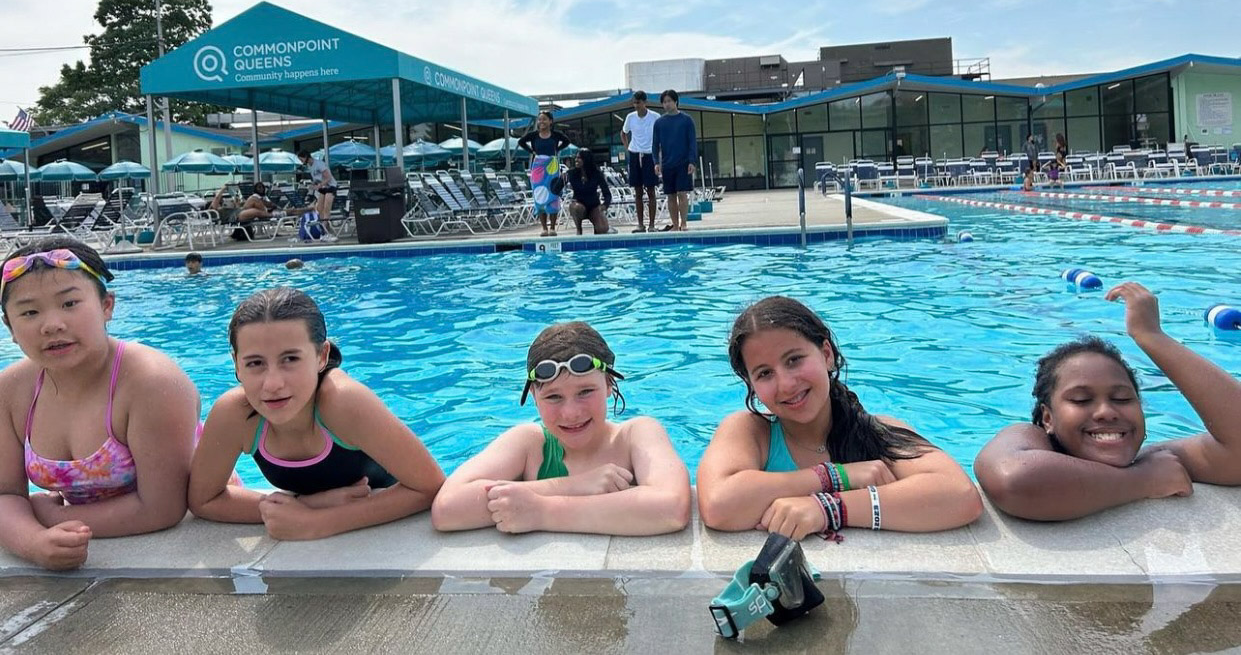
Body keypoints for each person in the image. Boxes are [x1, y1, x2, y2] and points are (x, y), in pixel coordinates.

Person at [696, 297, 982, 539]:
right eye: (764, 373)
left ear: (826, 354)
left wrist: (828, 509)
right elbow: (719, 504)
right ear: (752, 385)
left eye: (794, 359)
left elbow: (960, 495)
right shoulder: (752, 431)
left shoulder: (877, 431)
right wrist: (836, 475)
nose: (785, 384)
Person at [0, 237, 200, 570]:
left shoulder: (151, 382)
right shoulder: (11, 391)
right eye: (30, 312)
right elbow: (6, 494)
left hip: (188, 539)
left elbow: (164, 508)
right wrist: (33, 542)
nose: (52, 325)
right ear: (10, 327)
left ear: (107, 305)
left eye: (69, 304)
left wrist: (56, 516)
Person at [189, 287, 445, 539]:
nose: (273, 384)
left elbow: (429, 485)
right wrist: (307, 505)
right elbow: (204, 500)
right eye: (255, 363)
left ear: (321, 356)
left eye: (290, 359)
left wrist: (320, 522)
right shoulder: (235, 414)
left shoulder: (344, 403)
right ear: (236, 363)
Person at [974, 282, 1241, 522]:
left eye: (1122, 398)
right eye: (1081, 400)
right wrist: (1142, 482)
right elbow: (1014, 480)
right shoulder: (1029, 439)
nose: (1106, 412)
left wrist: (1152, 337)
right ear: (1047, 418)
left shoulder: (1154, 459)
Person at [430, 322, 690, 536]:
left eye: (585, 391)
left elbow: (672, 508)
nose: (571, 413)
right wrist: (574, 486)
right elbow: (446, 508)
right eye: (553, 397)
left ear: (609, 384)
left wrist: (543, 511)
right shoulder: (530, 444)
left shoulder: (636, 435)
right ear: (534, 395)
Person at [518, 112, 572, 237]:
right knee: (539, 196)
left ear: (550, 121)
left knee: (554, 194)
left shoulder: (555, 135)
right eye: (539, 120)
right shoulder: (533, 135)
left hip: (552, 167)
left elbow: (567, 141)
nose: (541, 122)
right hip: (538, 168)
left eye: (544, 119)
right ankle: (544, 227)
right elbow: (521, 142)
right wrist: (531, 151)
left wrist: (558, 149)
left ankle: (552, 227)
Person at [652, 90, 697, 232]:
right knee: (670, 195)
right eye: (664, 102)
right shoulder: (659, 123)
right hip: (667, 163)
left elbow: (692, 142)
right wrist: (656, 162)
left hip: (683, 163)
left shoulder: (686, 120)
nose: (667, 104)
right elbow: (655, 144)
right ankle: (675, 224)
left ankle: (684, 223)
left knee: (682, 193)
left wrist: (692, 161)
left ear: (676, 102)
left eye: (669, 101)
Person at [621, 91, 660, 232]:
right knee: (637, 191)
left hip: (650, 155)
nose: (636, 105)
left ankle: (652, 224)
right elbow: (623, 133)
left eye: (638, 102)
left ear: (645, 102)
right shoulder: (630, 117)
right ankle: (640, 224)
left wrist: (658, 154)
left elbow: (659, 136)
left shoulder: (655, 117)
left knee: (651, 191)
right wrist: (628, 148)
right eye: (634, 103)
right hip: (635, 154)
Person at [567, 149, 612, 235]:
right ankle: (579, 230)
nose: (576, 160)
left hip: (593, 206)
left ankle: (598, 229)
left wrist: (604, 205)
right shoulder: (571, 174)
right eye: (576, 157)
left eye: (579, 158)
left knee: (602, 229)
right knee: (575, 207)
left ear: (586, 159)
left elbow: (607, 194)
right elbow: (556, 188)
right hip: (579, 206)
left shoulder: (596, 174)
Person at [296, 151, 338, 243]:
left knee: (326, 209)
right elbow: (317, 179)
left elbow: (328, 177)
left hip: (330, 187)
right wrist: (313, 185)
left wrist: (319, 185)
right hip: (322, 188)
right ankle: (325, 229)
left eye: (301, 159)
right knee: (319, 209)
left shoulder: (319, 164)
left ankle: (325, 231)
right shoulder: (310, 167)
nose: (301, 161)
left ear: (306, 156)